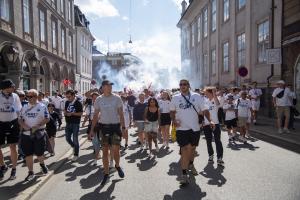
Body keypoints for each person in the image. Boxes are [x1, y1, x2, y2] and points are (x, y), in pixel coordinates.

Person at [170, 79, 213, 185]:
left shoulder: (197, 96)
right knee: (185, 149)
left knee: (192, 149)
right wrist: (174, 120)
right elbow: (171, 111)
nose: (182, 86)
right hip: (181, 129)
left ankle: (191, 163)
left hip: (195, 128)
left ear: (188, 85)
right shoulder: (175, 98)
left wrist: (210, 120)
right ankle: (184, 175)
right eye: (180, 84)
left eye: (184, 84)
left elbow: (204, 110)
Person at [89, 80, 125, 186]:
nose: (110, 87)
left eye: (111, 86)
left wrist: (123, 127)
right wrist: (91, 130)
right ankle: (106, 173)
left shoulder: (117, 98)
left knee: (115, 150)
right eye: (108, 86)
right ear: (103, 87)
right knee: (104, 151)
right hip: (104, 127)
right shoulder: (99, 99)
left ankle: (117, 165)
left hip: (115, 127)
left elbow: (121, 113)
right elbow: (95, 115)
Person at [18, 89, 50, 181]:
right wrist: (24, 125)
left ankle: (42, 164)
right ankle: (31, 172)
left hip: (39, 133)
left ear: (36, 97)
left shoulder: (42, 106)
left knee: (39, 153)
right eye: (27, 96)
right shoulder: (24, 107)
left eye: (30, 96)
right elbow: (19, 119)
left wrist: (38, 125)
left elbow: (47, 118)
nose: (28, 98)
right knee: (28, 154)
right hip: (26, 134)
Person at [0, 79, 22, 180]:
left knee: (12, 146)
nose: (14, 88)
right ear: (5, 88)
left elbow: (18, 110)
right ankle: (3, 166)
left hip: (13, 123)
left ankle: (14, 169)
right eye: (12, 86)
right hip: (1, 123)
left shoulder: (15, 96)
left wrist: (20, 123)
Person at [203, 87, 224, 166]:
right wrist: (203, 122)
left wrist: (214, 93)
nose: (205, 94)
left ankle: (219, 158)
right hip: (206, 124)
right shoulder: (205, 101)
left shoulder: (216, 99)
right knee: (208, 141)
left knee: (217, 141)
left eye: (206, 93)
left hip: (215, 123)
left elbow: (218, 104)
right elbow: (204, 113)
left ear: (211, 92)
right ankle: (211, 155)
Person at [64, 90, 83, 161]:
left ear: (73, 96)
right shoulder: (67, 102)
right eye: (67, 97)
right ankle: (74, 147)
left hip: (75, 123)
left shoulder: (78, 103)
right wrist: (65, 113)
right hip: (68, 123)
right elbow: (65, 110)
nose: (68, 98)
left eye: (69, 97)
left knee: (75, 139)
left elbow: (81, 113)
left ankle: (76, 154)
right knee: (67, 138)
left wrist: (72, 114)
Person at [84, 92, 101, 166]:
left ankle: (97, 157)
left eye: (96, 97)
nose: (94, 99)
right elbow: (87, 115)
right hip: (92, 124)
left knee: (100, 141)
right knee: (95, 141)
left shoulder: (102, 105)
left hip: (101, 124)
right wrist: (84, 122)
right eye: (93, 98)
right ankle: (97, 155)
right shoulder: (89, 107)